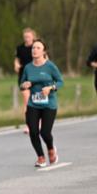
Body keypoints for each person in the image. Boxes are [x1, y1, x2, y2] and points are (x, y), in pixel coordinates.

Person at [19, 39, 64, 167]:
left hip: (49, 104)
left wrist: (51, 88)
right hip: (33, 103)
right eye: (33, 48)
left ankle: (50, 148)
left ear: (44, 51)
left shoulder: (50, 66)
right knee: (33, 131)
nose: (35, 50)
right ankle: (40, 157)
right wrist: (25, 85)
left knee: (45, 132)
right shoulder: (28, 67)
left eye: (38, 48)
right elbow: (21, 85)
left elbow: (60, 81)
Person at [14, 28, 37, 134]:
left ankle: (39, 122)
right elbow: (17, 59)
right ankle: (29, 125)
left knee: (37, 100)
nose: (26, 39)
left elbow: (45, 58)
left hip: (36, 76)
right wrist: (16, 65)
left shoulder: (37, 46)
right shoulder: (20, 48)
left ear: (33, 37)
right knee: (27, 101)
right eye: (25, 37)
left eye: (28, 37)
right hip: (24, 77)